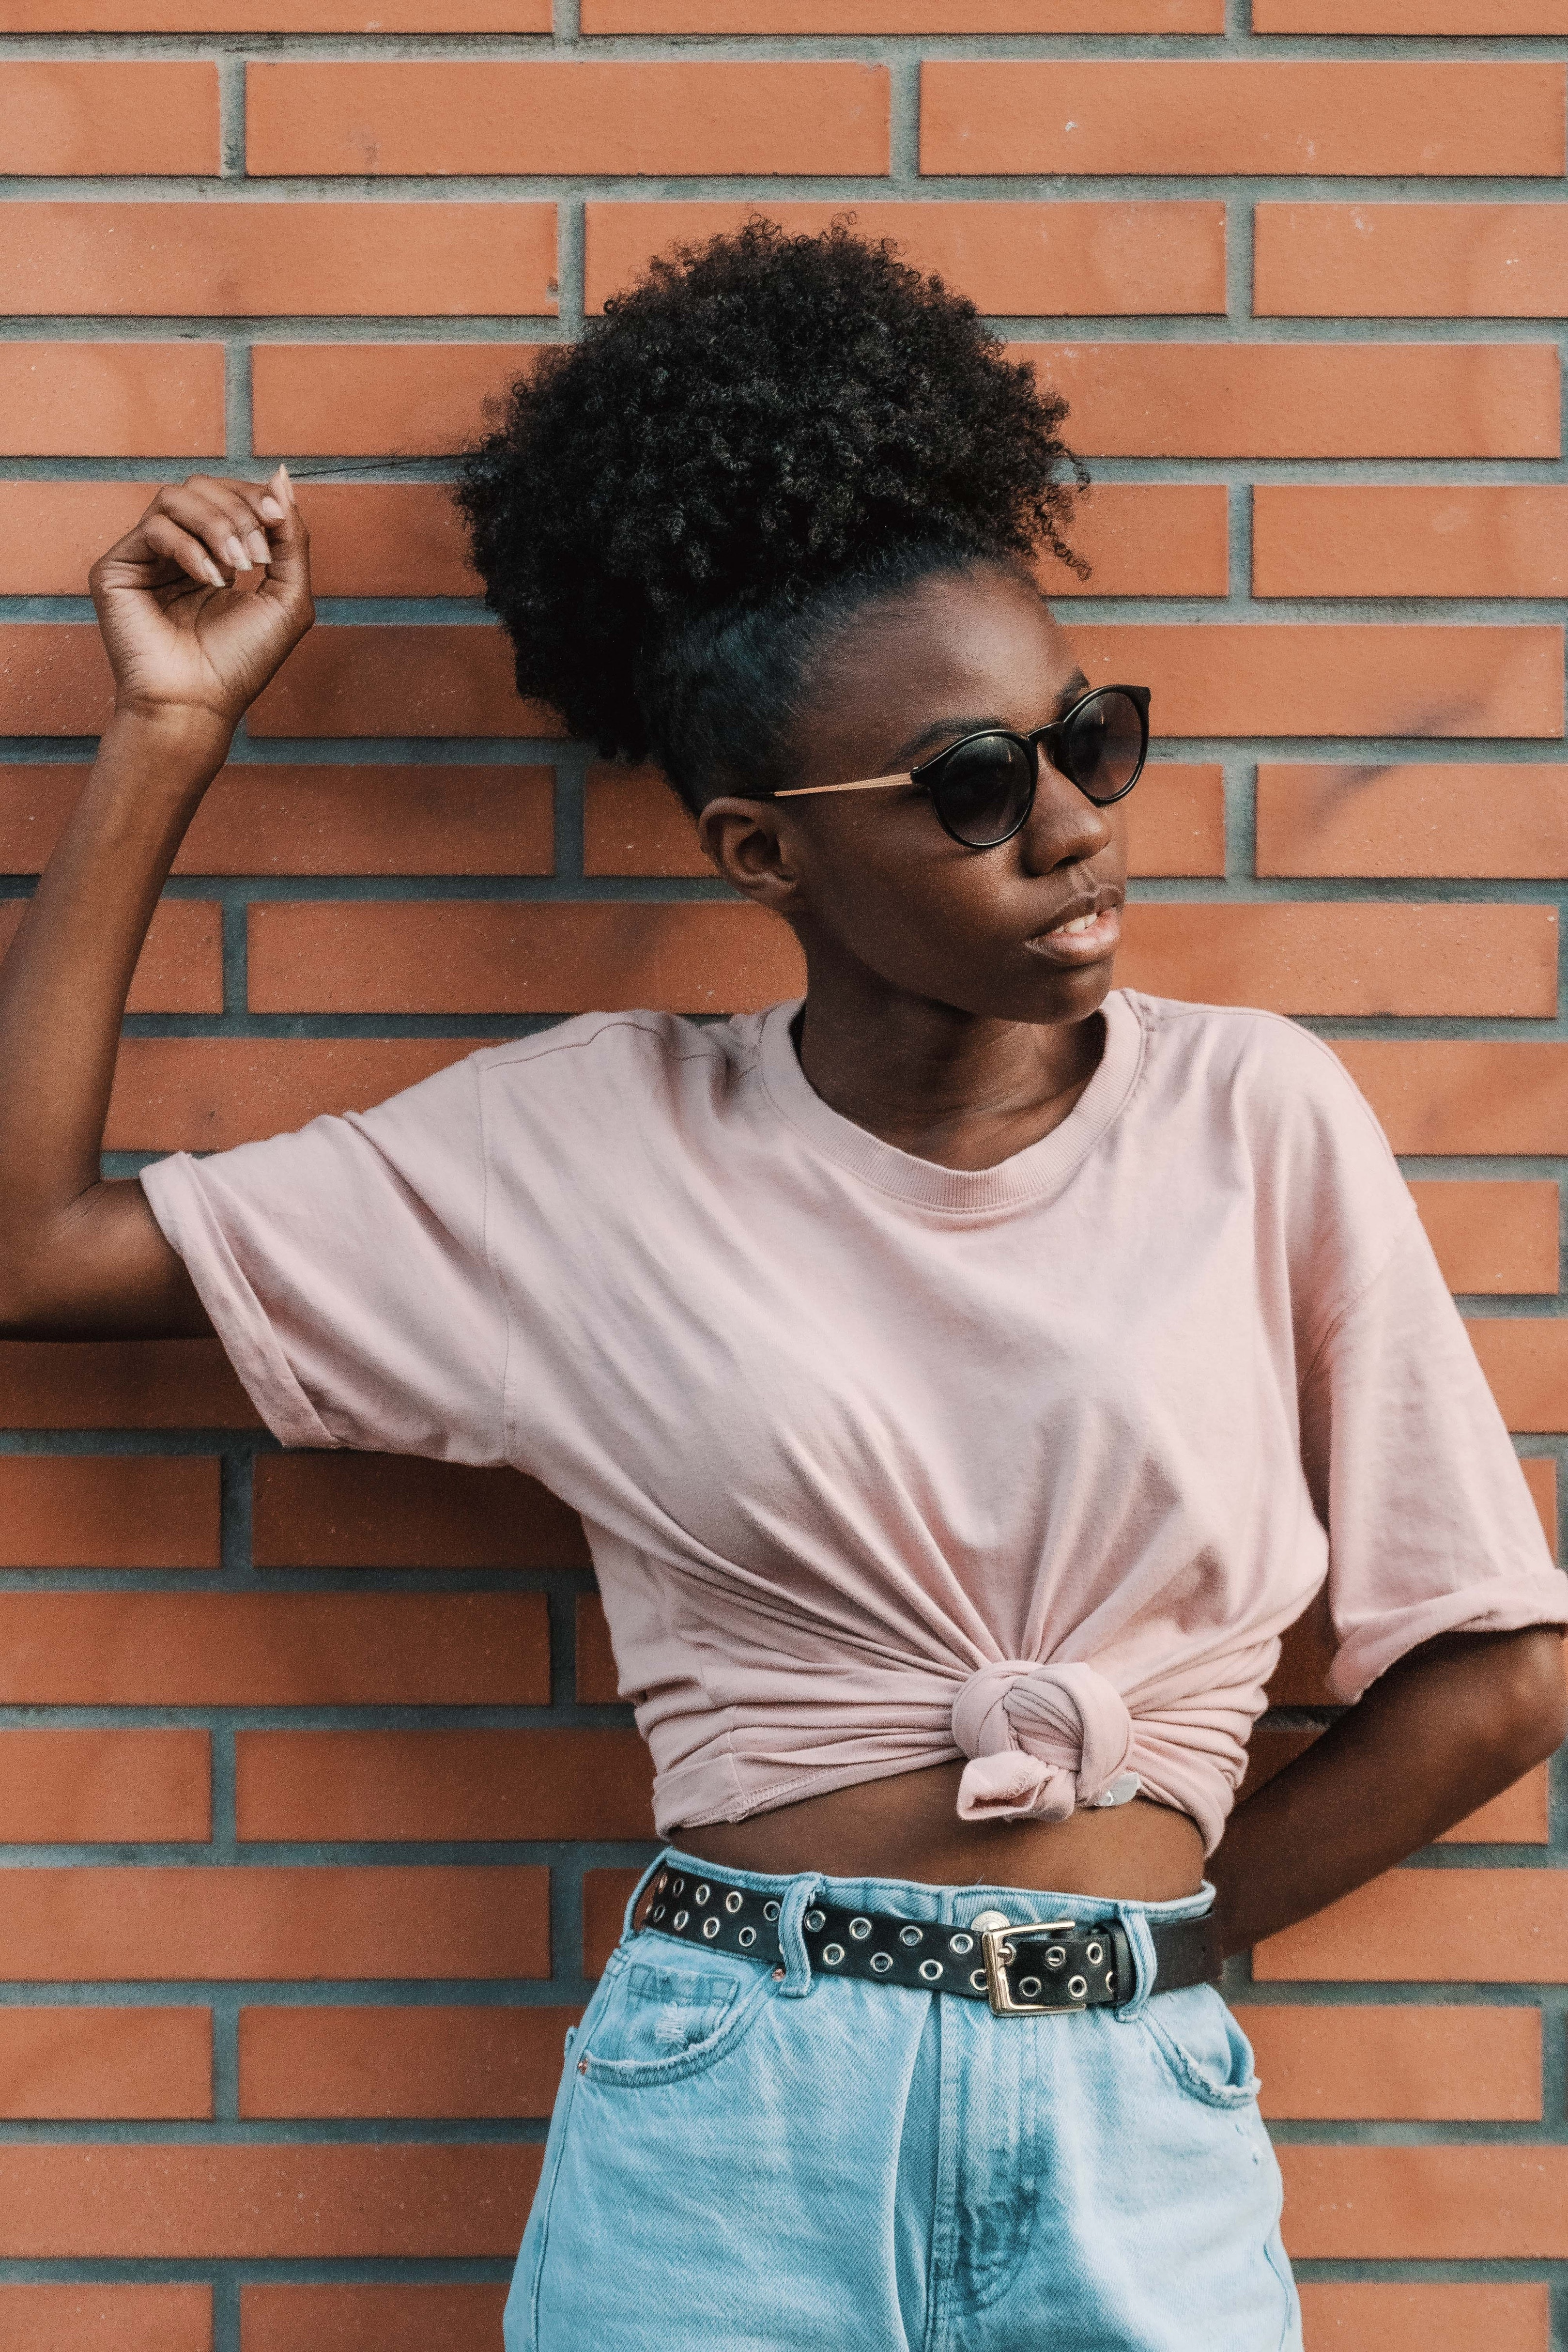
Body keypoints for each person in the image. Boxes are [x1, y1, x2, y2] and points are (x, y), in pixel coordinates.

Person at [0, 220, 1562, 2352]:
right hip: (733, 2112)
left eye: (1084, 736)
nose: (1074, 824)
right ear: (761, 855)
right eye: (974, 785)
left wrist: (1153, 1961)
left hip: (1136, 2125)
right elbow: (37, 1250)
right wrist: (166, 736)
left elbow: (1499, 1666)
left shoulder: (1256, 1115)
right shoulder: (585, 1147)